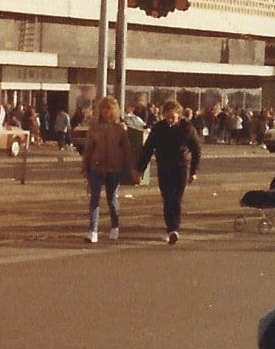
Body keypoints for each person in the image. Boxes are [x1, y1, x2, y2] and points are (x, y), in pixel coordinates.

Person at [137, 99, 201, 243]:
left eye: (173, 116)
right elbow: (147, 149)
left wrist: (193, 172)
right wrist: (140, 169)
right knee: (167, 199)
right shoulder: (158, 128)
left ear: (179, 115)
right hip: (164, 167)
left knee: (176, 198)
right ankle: (170, 228)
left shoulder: (187, 128)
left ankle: (174, 229)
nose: (170, 120)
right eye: (167, 116)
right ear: (163, 115)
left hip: (181, 167)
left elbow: (196, 150)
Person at [80, 95, 133, 244]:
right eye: (103, 108)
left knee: (112, 199)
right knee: (94, 198)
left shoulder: (120, 128)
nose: (106, 112)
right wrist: (84, 168)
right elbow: (88, 149)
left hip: (114, 168)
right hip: (96, 167)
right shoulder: (94, 127)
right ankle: (93, 230)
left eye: (109, 109)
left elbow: (127, 149)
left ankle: (115, 226)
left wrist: (131, 169)